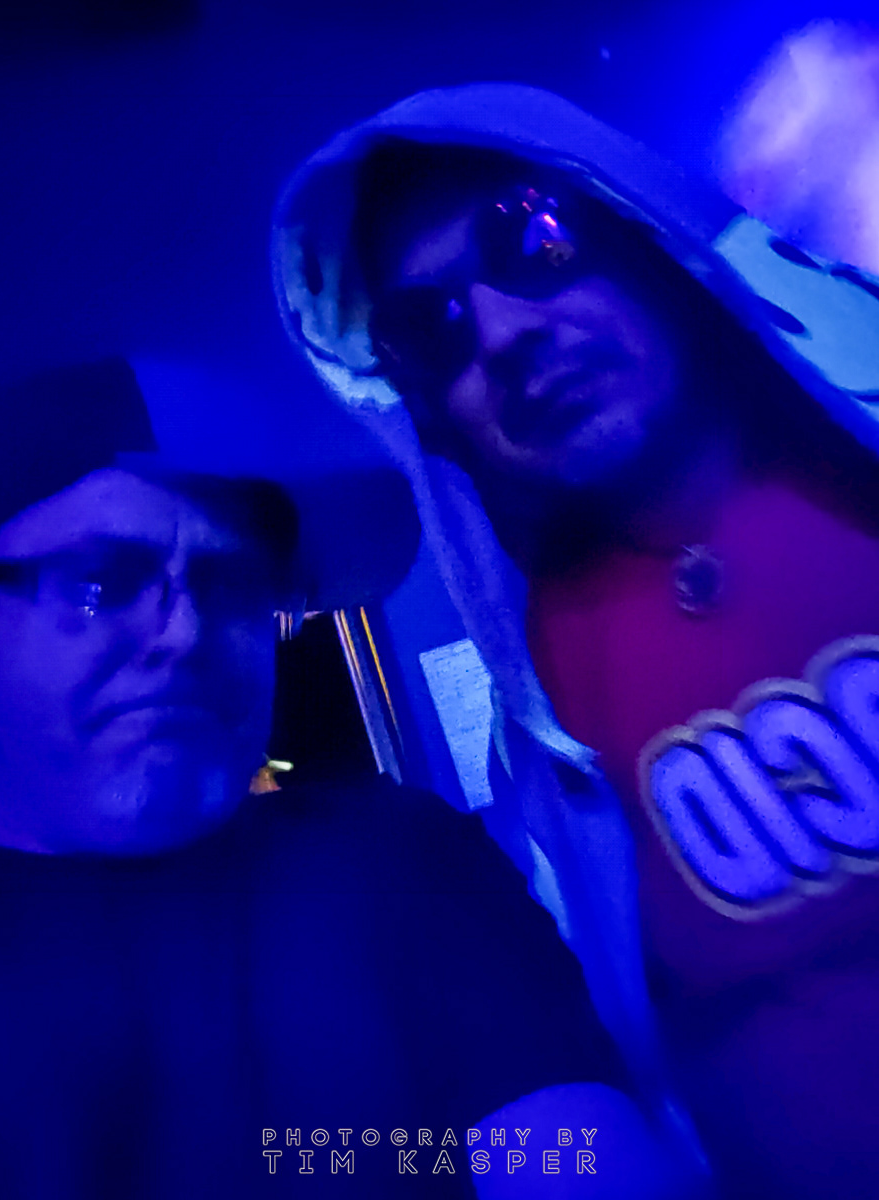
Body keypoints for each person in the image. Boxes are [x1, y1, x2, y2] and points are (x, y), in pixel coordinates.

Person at [273, 83, 879, 1199]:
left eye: (535, 238)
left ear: (647, 240)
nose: (502, 333)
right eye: (430, 328)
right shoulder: (545, 713)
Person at [0, 357, 674, 1199]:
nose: (187, 632)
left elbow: (572, 1161)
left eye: (234, 585)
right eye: (98, 583)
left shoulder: (397, 860)